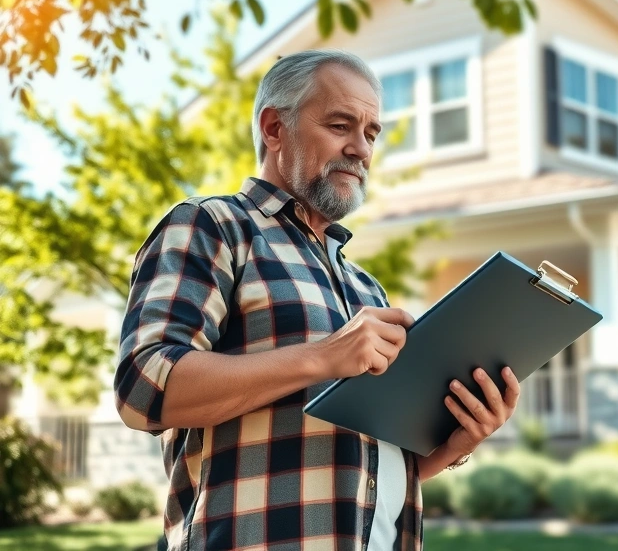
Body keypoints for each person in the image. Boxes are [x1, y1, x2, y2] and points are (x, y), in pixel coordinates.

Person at [114, 49, 520, 551]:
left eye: (371, 133)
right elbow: (141, 387)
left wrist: (455, 445)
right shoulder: (213, 226)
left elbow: (366, 468)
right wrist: (323, 357)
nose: (361, 149)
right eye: (340, 125)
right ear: (274, 128)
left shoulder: (365, 287)